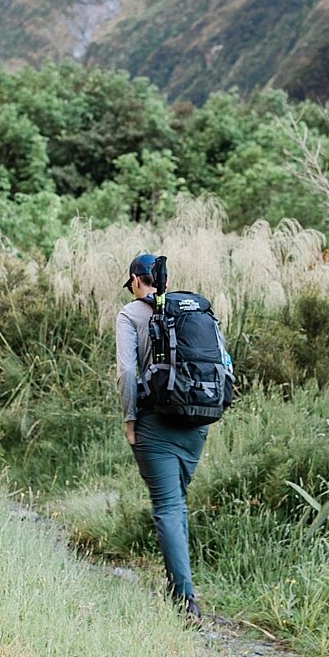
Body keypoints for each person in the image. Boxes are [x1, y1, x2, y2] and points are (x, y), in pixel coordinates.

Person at [116, 252, 208, 621]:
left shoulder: (130, 313)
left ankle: (186, 601)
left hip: (155, 422)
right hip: (198, 421)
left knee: (168, 507)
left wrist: (129, 418)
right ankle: (177, 587)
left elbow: (126, 372)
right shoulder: (192, 310)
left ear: (137, 280)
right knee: (177, 503)